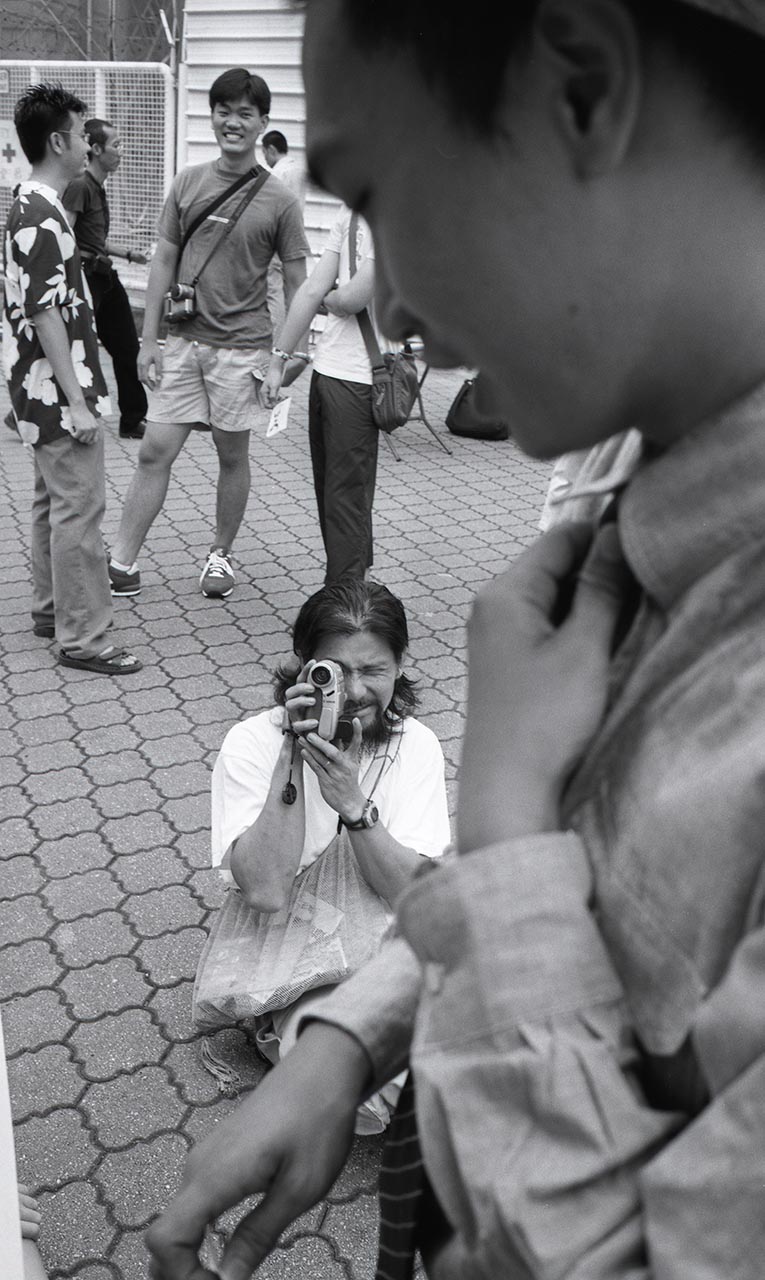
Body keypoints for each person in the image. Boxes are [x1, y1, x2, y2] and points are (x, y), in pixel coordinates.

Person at [146, 2, 765, 1277]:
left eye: (380, 194)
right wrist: (355, 1037)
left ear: (580, 92)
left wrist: (513, 834)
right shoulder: (624, 467)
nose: (390, 300)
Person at [202, 577, 450, 1132]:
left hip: (389, 947)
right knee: (363, 1084)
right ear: (304, 666)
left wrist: (353, 805)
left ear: (401, 665)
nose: (357, 691)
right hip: (292, 956)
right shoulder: (253, 743)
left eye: (375, 671)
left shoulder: (416, 746)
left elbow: (414, 893)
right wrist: (293, 752)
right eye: (337, 672)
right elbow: (265, 892)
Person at [107, 68, 310, 602]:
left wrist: (291, 354)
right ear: (212, 116)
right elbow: (163, 264)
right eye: (224, 110)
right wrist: (147, 341)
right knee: (155, 450)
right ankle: (121, 562)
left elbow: (296, 282)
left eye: (245, 113)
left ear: (263, 123)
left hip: (242, 350)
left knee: (230, 456)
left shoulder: (281, 202)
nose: (232, 122)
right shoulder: (188, 182)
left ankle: (220, 554)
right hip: (183, 343)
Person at [2, 83, 141, 677]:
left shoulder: (37, 202)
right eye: (83, 134)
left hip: (42, 388)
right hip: (56, 390)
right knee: (80, 507)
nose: (90, 143)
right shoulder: (39, 210)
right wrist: (79, 401)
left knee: (52, 501)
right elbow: (43, 311)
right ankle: (84, 637)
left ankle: (52, 608)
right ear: (57, 141)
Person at [262, 206, 380, 582]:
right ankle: (349, 590)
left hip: (358, 377)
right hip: (331, 372)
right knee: (337, 498)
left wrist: (331, 299)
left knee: (343, 499)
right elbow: (315, 289)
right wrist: (279, 358)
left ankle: (342, 603)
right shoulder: (352, 210)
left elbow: (351, 299)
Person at [63, 117, 149, 441]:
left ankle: (133, 420)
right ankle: (33, 411)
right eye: (116, 145)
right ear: (96, 149)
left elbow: (93, 239)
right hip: (86, 278)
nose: (121, 151)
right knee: (76, 347)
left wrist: (128, 254)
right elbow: (64, 233)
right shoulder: (81, 185)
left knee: (127, 345)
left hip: (105, 274)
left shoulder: (97, 186)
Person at [261, 130, 307, 340]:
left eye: (265, 154)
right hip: (295, 236)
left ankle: (277, 341)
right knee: (295, 289)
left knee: (274, 290)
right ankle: (295, 340)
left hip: (276, 236)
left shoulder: (277, 174)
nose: (265, 160)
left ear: (271, 149)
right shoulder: (299, 169)